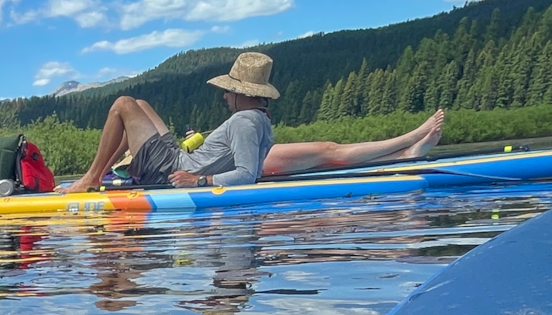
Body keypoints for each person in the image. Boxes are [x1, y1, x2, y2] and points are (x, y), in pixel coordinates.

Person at [67, 49, 445, 194]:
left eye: (228, 90)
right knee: (140, 103)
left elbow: (247, 175)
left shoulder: (246, 121)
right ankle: (404, 151)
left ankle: (90, 179)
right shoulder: (256, 116)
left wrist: (200, 180)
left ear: (241, 93)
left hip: (171, 168)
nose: (223, 96)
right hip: (170, 158)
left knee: (121, 104)